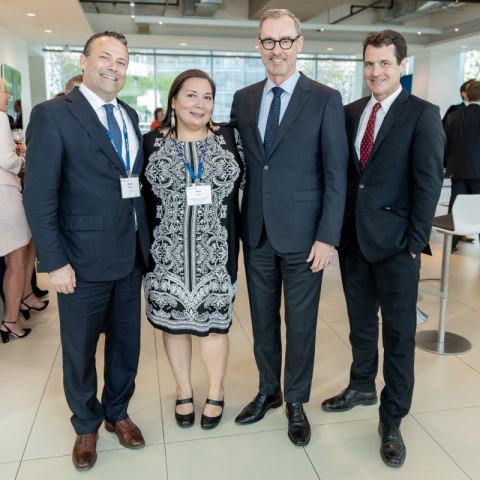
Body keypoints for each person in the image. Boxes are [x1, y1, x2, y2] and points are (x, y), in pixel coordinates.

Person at [23, 31, 151, 471]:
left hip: (129, 256)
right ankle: (86, 424)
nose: (113, 67)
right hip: (79, 259)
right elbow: (39, 196)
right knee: (78, 349)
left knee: (125, 346)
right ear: (84, 60)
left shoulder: (130, 115)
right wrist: (53, 261)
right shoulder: (53, 115)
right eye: (105, 58)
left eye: (121, 61)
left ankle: (117, 413)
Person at [321, 30, 444, 468]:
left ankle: (392, 418)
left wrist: (414, 242)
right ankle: (360, 385)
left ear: (402, 66)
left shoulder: (423, 115)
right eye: (370, 64)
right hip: (354, 242)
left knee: (398, 335)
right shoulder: (351, 112)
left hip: (397, 247)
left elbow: (428, 183)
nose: (376, 72)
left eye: (385, 64)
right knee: (359, 325)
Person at [230, 9, 348, 447]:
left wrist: (328, 235)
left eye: (284, 41)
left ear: (299, 44)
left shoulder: (324, 98)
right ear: (258, 46)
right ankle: (269, 391)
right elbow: (239, 164)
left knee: (300, 323)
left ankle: (296, 399)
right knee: (262, 320)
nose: (276, 50)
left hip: (305, 236)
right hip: (256, 230)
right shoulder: (243, 98)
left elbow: (336, 174)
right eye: (268, 41)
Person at [143, 69, 244, 430]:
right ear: (173, 100)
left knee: (216, 328)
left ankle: (216, 392)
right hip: (165, 257)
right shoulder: (150, 144)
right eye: (191, 95)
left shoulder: (231, 140)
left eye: (207, 97)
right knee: (173, 327)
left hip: (216, 254)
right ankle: (184, 390)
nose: (199, 104)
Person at [0, 78, 48, 343]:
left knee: (26, 246)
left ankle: (26, 296)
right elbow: (7, 161)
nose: (7, 96)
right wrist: (23, 158)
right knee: (16, 260)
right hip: (4, 194)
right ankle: (10, 319)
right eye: (4, 91)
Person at [444, 80, 480, 250]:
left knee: (455, 206)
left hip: (457, 168)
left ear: (466, 94)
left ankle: (451, 243)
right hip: (478, 171)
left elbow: (446, 144)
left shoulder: (453, 117)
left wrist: (445, 165)